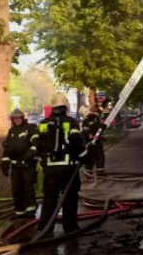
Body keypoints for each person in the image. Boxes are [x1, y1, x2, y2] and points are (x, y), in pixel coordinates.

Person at [28, 92, 90, 235]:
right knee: (69, 198)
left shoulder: (43, 123)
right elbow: (77, 143)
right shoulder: (71, 122)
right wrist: (86, 158)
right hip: (68, 169)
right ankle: (70, 228)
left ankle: (45, 229)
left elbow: (38, 144)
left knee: (49, 200)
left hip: (50, 169)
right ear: (65, 106)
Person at [1, 109, 38, 219]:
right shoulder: (12, 131)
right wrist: (4, 163)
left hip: (28, 164)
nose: (17, 120)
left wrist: (29, 155)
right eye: (14, 118)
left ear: (23, 118)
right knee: (16, 189)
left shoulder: (30, 128)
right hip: (16, 166)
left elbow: (35, 144)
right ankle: (19, 212)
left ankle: (30, 210)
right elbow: (7, 148)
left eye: (19, 118)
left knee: (28, 188)